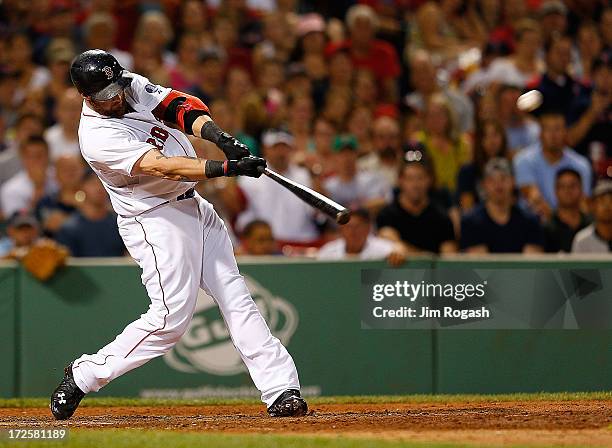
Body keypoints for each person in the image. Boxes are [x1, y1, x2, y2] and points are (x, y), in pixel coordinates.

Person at [50, 50, 306, 421]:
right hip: (155, 221)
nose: (117, 96)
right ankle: (85, 374)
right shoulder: (96, 136)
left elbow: (179, 106)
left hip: (194, 207)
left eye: (116, 87)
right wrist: (226, 166)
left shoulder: (128, 85)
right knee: (169, 320)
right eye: (106, 94)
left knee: (237, 299)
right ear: (87, 98)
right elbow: (163, 166)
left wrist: (221, 137)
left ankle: (281, 389)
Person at [236, 129, 320, 246]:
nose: (281, 152)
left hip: (303, 243)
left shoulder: (304, 176)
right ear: (265, 148)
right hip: (266, 247)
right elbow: (241, 217)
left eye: (285, 147)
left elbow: (318, 214)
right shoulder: (249, 178)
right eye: (276, 147)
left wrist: (315, 174)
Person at [514, 111, 592, 217]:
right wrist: (556, 225)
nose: (553, 135)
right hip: (535, 223)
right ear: (540, 134)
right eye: (548, 129)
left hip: (571, 223)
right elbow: (534, 199)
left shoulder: (581, 165)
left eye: (557, 129)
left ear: (565, 133)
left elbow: (583, 203)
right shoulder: (523, 160)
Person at [460, 158, 544, 253]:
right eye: (492, 180)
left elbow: (531, 264)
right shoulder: (470, 222)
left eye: (503, 179)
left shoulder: (530, 221)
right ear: (484, 185)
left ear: (513, 182)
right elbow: (479, 265)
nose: (498, 185)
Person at [376, 160, 457, 254]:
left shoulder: (442, 217)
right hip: (398, 269)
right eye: (410, 179)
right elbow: (389, 244)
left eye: (420, 178)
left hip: (433, 269)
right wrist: (424, 257)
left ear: (429, 180)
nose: (415, 184)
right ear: (400, 181)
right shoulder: (386, 215)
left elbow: (448, 256)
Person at [55, 171, 125, 257]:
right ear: (82, 187)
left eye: (103, 183)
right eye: (93, 183)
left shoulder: (121, 224)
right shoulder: (69, 229)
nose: (99, 188)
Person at [323, 134, 391, 214]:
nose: (346, 157)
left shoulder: (370, 179)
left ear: (356, 154)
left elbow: (383, 201)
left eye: (350, 153)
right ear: (335, 156)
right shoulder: (329, 185)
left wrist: (353, 208)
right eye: (342, 153)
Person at [318, 208, 406, 266]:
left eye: (358, 227)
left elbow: (397, 250)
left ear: (368, 228)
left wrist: (399, 250)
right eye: (348, 227)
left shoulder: (382, 248)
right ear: (341, 229)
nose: (352, 232)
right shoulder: (328, 252)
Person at [456, 119, 508, 212]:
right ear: (479, 141)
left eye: (495, 135)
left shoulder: (511, 167)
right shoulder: (467, 171)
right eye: (486, 136)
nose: (491, 141)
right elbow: (467, 209)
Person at [0, 137, 56, 218]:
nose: (35, 161)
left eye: (39, 155)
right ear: (23, 158)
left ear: (48, 155)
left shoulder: (60, 176)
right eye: (30, 156)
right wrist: (38, 187)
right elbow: (18, 223)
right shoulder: (11, 189)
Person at [544, 168, 591, 253]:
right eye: (562, 186)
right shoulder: (546, 228)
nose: (567, 191)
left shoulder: (592, 225)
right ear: (555, 191)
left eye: (572, 186)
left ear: (581, 189)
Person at [572, 180, 612, 253]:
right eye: (601, 201)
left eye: (611, 200)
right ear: (592, 206)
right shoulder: (582, 240)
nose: (607, 206)